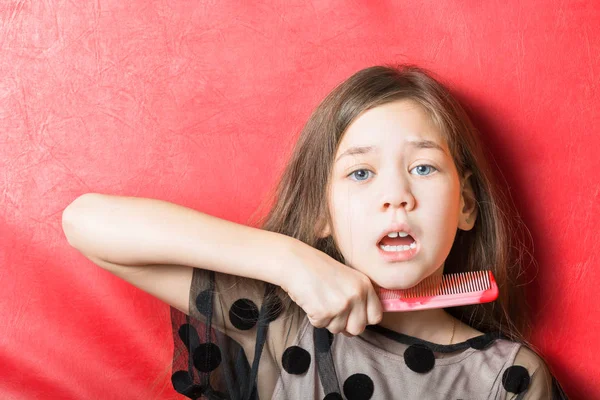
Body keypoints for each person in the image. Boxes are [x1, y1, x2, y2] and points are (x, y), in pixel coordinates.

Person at [62, 64, 569, 399]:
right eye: (361, 173)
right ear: (322, 214)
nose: (396, 195)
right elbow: (85, 221)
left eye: (423, 168)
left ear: (467, 206)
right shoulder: (284, 322)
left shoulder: (508, 378)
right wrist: (290, 262)